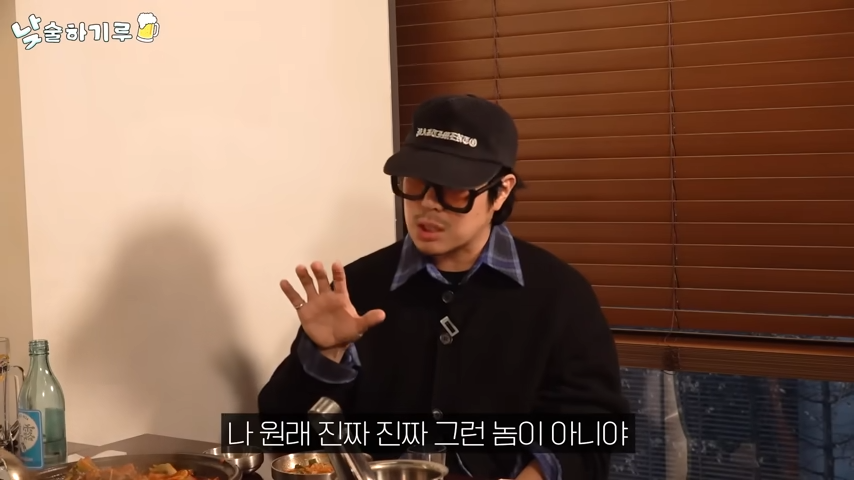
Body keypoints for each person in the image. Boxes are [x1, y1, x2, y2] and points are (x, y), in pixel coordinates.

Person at [258, 94, 629, 480]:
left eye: (453, 188)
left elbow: (594, 431)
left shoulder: (561, 295)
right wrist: (324, 355)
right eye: (416, 182)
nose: (428, 204)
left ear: (501, 191)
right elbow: (279, 433)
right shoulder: (355, 291)